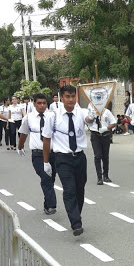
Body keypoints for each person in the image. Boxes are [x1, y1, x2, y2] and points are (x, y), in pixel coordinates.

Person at [42, 84, 94, 236]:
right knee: (69, 189)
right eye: (67, 96)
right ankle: (76, 223)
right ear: (61, 97)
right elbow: (46, 139)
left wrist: (92, 115)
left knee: (80, 189)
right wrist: (46, 162)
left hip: (79, 157)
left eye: (73, 96)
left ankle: (76, 213)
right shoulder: (54, 115)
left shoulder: (81, 112)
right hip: (62, 158)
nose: (71, 100)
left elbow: (89, 120)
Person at [18, 93, 57, 215]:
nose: (42, 106)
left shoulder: (52, 116)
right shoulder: (28, 118)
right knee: (45, 177)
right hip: (38, 154)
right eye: (39, 103)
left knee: (51, 179)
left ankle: (47, 204)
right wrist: (20, 147)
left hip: (53, 153)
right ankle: (51, 205)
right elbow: (23, 133)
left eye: (44, 103)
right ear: (34, 104)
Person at [87, 103, 116, 184]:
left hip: (105, 135)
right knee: (97, 156)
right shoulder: (92, 113)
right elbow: (87, 121)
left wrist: (106, 128)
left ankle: (105, 175)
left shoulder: (107, 112)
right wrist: (91, 117)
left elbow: (113, 123)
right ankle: (99, 177)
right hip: (95, 134)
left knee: (105, 156)